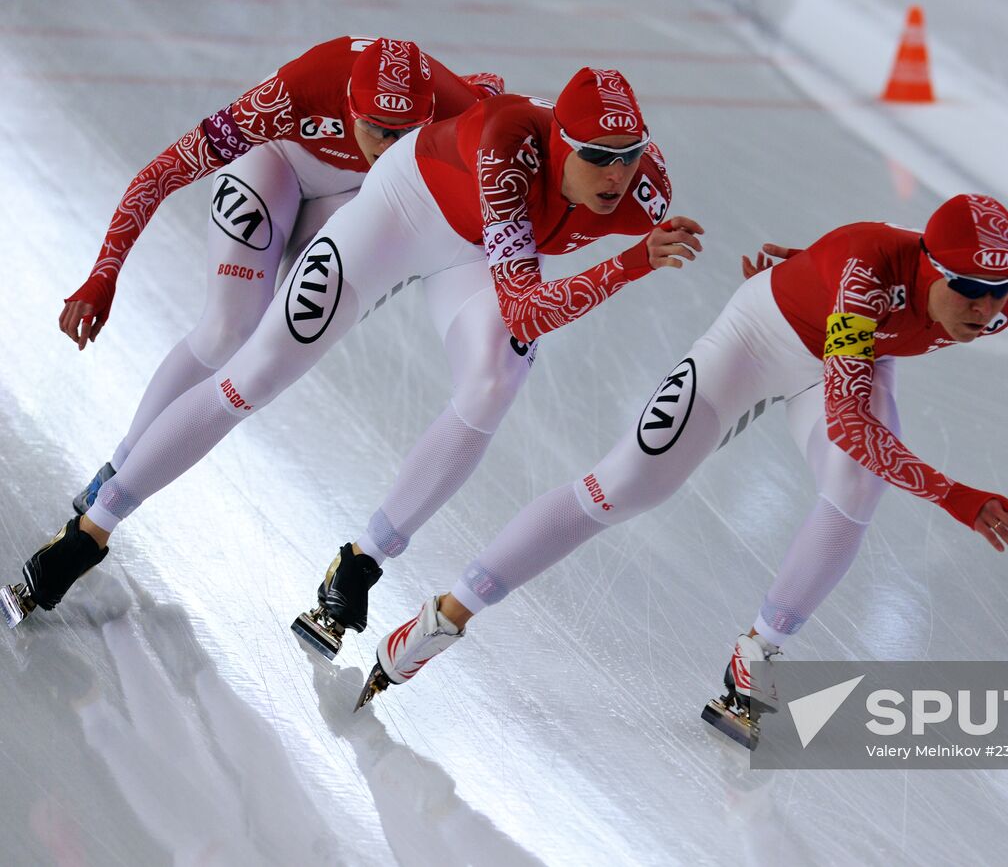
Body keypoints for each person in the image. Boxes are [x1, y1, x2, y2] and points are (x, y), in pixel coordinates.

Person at [1, 67, 703, 634]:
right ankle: (90, 531)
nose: (616, 175)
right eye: (597, 158)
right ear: (557, 145)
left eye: (628, 155)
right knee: (258, 370)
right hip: (401, 213)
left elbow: (520, 304)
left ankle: (361, 565)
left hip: (477, 255)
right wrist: (633, 263)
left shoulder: (646, 191)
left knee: (494, 381)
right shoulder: (507, 147)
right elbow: (526, 304)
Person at [352, 194, 1008, 750]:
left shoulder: (985, 310)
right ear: (928, 268)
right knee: (620, 488)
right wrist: (955, 496)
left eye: (1000, 292)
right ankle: (444, 616)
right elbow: (850, 418)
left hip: (840, 356)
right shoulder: (872, 271)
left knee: (858, 487)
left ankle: (757, 655)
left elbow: (851, 392)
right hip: (757, 341)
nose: (985, 309)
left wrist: (809, 265)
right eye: (969, 290)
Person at [64, 35, 504, 518]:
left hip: (359, 193)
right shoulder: (294, 92)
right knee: (227, 331)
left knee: (287, 330)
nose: (390, 146)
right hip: (276, 159)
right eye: (377, 129)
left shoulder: (456, 111)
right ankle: (116, 473)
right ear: (349, 108)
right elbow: (163, 172)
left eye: (406, 133)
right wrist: (103, 274)